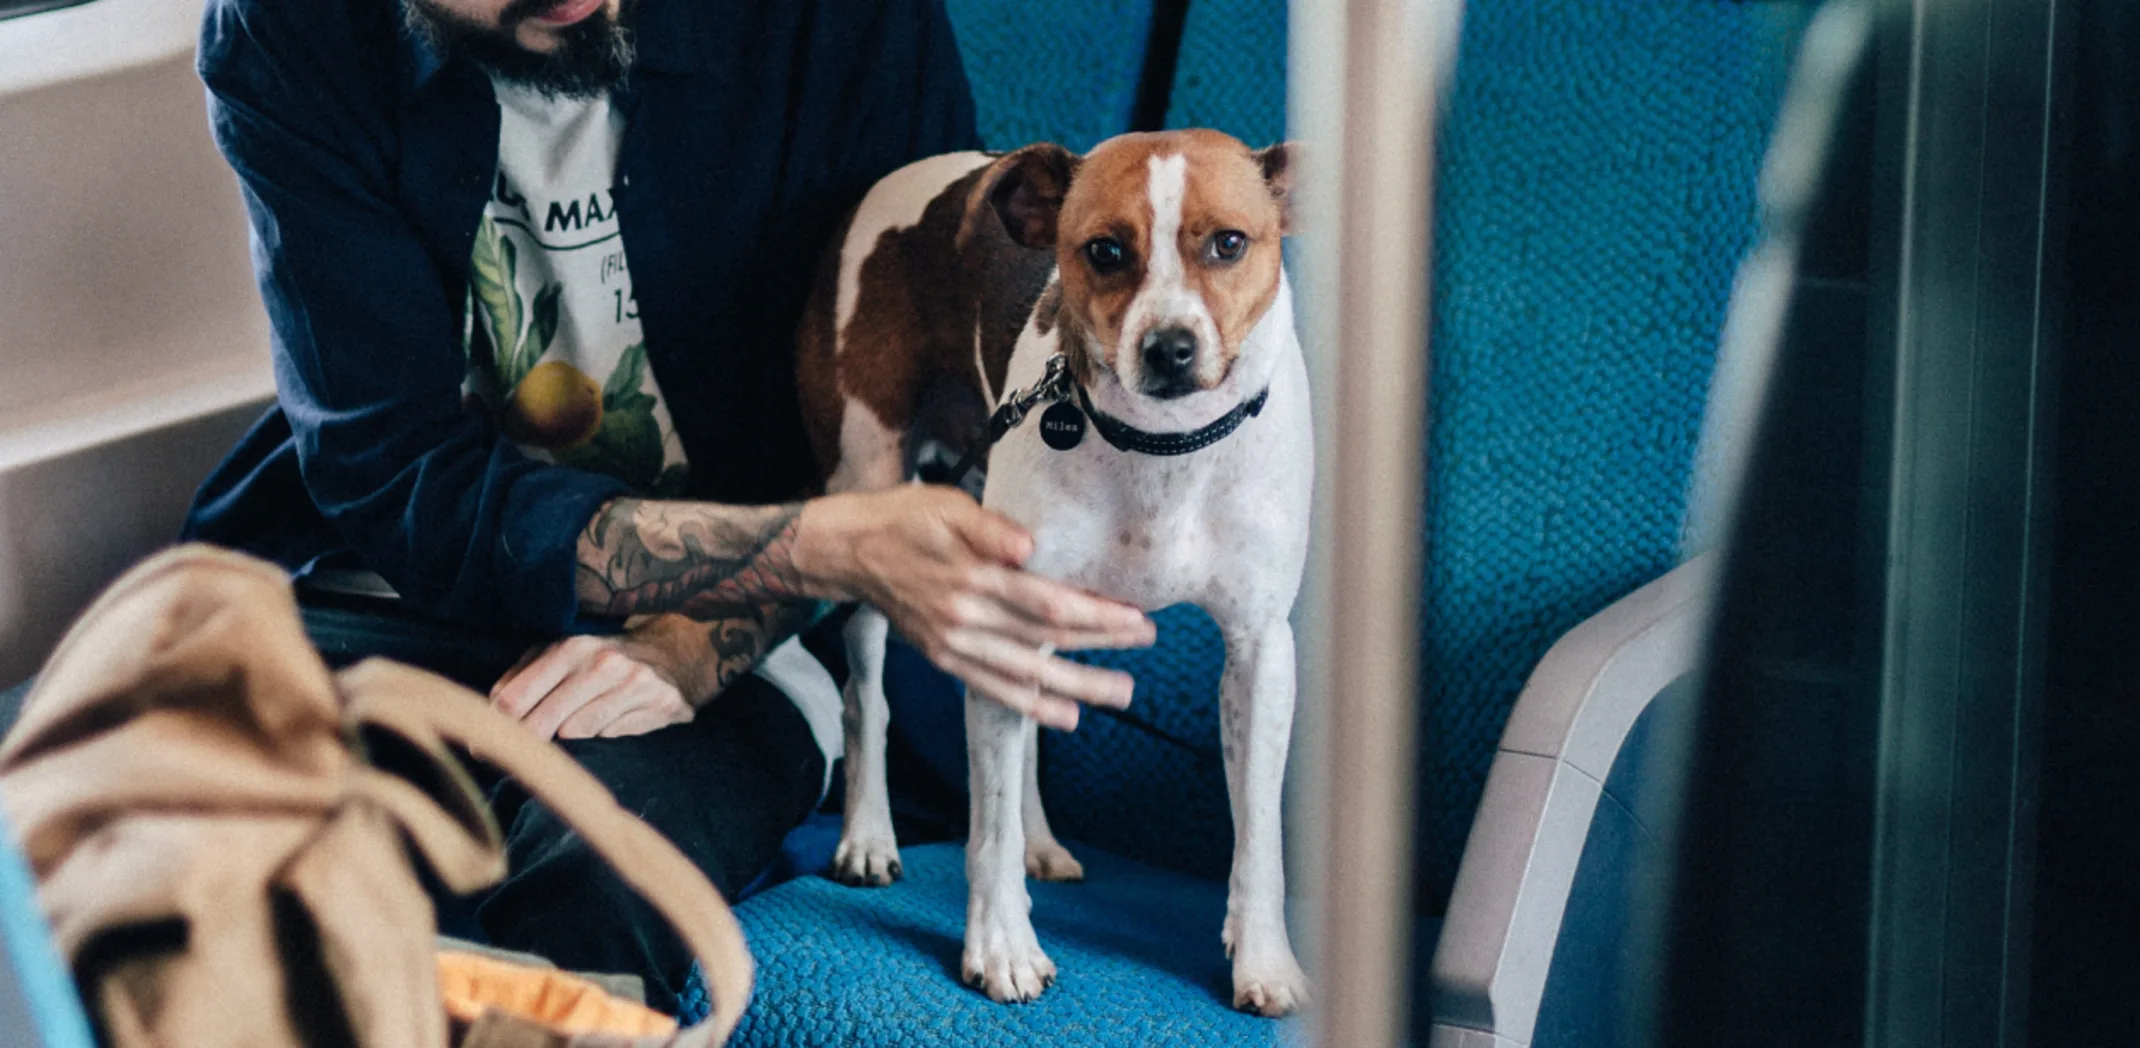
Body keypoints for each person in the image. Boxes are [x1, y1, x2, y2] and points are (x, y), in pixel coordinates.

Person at [182, 0, 1156, 1012]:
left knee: (602, 884)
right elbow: (395, 468)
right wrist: (811, 547)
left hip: (737, 644)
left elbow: (923, 426)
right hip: (382, 585)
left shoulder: (848, 21)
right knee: (101, 810)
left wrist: (705, 636)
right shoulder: (286, 33)